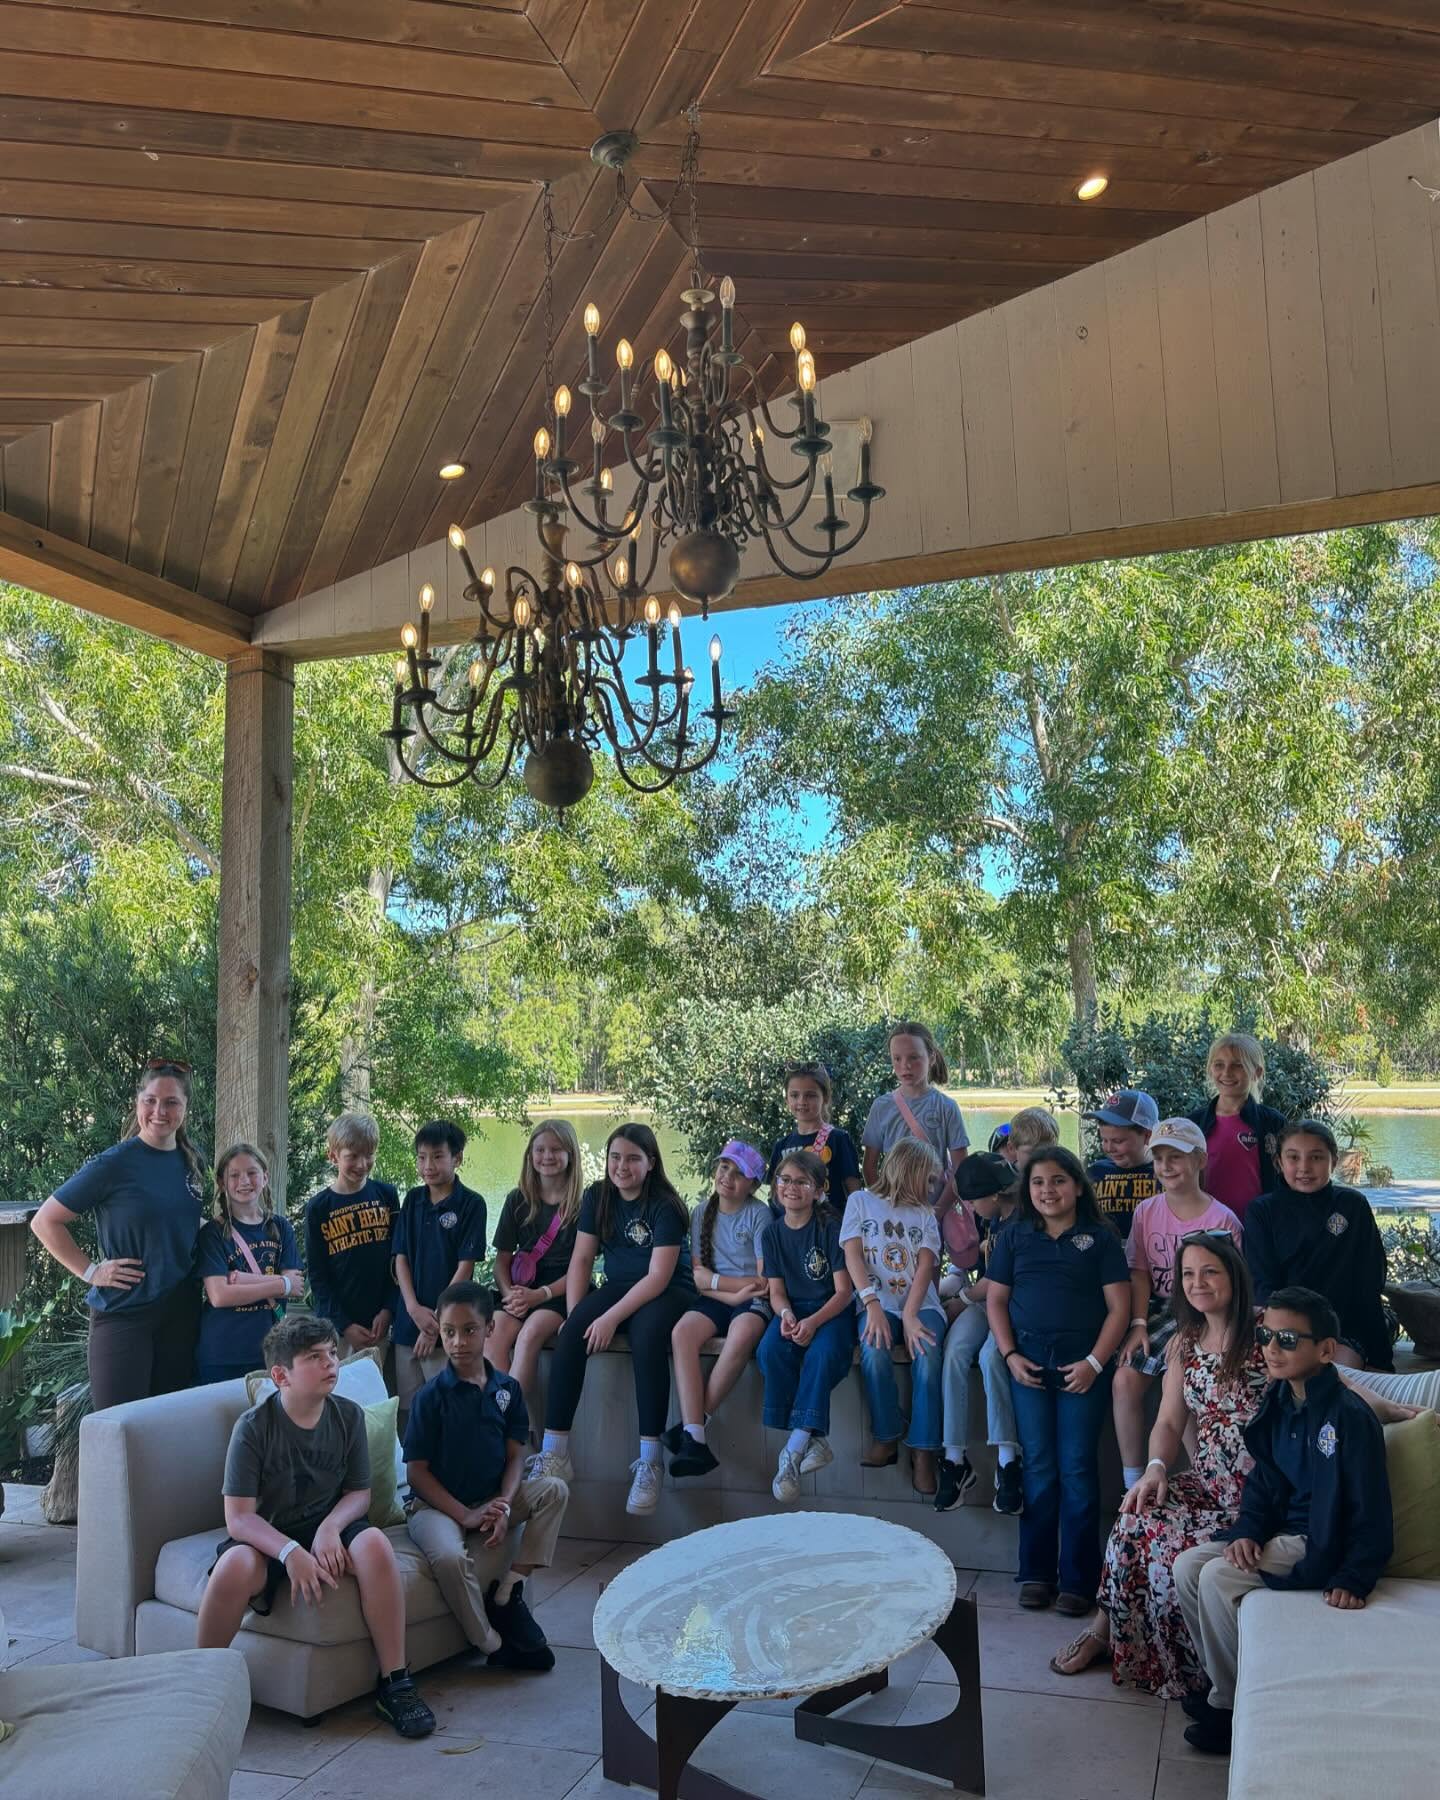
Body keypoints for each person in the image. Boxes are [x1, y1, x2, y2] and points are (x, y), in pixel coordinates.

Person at [1049, 1238, 1413, 1694]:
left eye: (1210, 1272)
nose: (1198, 1283)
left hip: (1262, 1494)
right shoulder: (1184, 1342)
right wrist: (1156, 1466)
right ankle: (1104, 1634)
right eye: (1188, 1274)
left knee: (1170, 1551)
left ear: (1234, 1276)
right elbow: (1166, 1419)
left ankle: (1198, 1676)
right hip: (1209, 1482)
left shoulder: (1264, 1330)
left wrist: (1389, 1406)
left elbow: (1331, 1379)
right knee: (1134, 1514)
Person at [1174, 1286, 1393, 1756]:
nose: (1272, 1349)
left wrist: (1355, 1576)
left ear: (1326, 1349)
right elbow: (1264, 1484)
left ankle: (1231, 1712)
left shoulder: (1349, 1417)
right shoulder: (1277, 1401)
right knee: (1189, 1566)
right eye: (1266, 1335)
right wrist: (1248, 1532)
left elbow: (1373, 1508)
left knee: (1217, 1578)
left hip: (1319, 1540)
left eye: (1288, 1340)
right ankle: (1225, 1687)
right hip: (1278, 1533)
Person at [197, 1313, 435, 1739]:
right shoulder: (253, 1428)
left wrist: (329, 1529)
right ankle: (197, 1689)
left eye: (331, 1353)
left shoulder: (347, 1416)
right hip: (269, 1538)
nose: (331, 1364)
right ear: (280, 1375)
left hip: (330, 1525)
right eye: (314, 1357)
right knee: (233, 1568)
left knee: (376, 1545)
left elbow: (358, 1494)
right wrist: (290, 1553)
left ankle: (395, 1682)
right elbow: (239, 1517)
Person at [986, 1147, 1131, 1613]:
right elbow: (995, 1301)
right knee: (1039, 1467)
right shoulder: (1014, 1236)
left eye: (1058, 1181)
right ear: (1027, 1190)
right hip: (1028, 1364)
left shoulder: (1101, 1237)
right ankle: (1035, 1572)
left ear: (1077, 1185)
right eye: (1038, 1183)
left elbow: (1120, 1309)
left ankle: (1079, 1581)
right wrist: (1009, 1355)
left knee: (1077, 1467)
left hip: (1082, 1367)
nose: (1048, 1191)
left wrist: (1094, 1362)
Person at [530, 1124, 694, 1516]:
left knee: (647, 1334)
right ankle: (555, 1453)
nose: (622, 1166)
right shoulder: (598, 1196)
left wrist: (609, 1318)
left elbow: (657, 1277)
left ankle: (650, 1460)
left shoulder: (666, 1206)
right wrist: (576, 1314)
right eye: (615, 1157)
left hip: (668, 1289)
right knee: (572, 1334)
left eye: (633, 1158)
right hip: (620, 1284)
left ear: (651, 1163)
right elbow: (582, 1259)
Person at [404, 1282, 567, 1672]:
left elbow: (516, 1456)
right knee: (447, 1557)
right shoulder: (431, 1396)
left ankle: (509, 1591)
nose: (459, 1341)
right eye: (449, 1332)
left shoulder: (507, 1389)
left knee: (554, 1489)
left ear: (490, 1328)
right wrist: (464, 1516)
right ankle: (491, 1644)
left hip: (491, 1495)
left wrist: (506, 1504)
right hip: (436, 1507)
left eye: (470, 1330)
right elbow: (416, 1473)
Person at [32, 1058, 206, 1410]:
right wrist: (92, 1271)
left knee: (168, 1425)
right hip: (125, 1312)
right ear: (137, 1103)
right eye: (151, 1100)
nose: (160, 1110)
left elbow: (182, 1222)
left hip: (181, 1311)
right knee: (118, 1428)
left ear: (185, 1108)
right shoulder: (113, 1164)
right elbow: (45, 1221)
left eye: (171, 1102)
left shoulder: (192, 1161)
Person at [1112, 1120, 1242, 1488]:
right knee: (1124, 1379)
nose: (1166, 1166)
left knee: (1180, 1376)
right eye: (1159, 1158)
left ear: (1199, 1160)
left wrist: (1192, 1331)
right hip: (1157, 1308)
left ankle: (1206, 1477)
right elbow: (1138, 1271)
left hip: (1204, 1312)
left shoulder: (1223, 1220)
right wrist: (1138, 1323)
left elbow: (1230, 1288)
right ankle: (1133, 1480)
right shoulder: (1147, 1212)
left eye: (1176, 1158)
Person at [841, 1138, 947, 1496]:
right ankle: (887, 1434)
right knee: (873, 1348)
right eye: (929, 1179)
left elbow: (925, 1266)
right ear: (911, 1171)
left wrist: (912, 1314)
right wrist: (871, 1304)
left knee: (929, 1355)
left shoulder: (925, 1214)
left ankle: (924, 1449)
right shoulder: (860, 1202)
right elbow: (853, 1255)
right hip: (877, 1302)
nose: (932, 1188)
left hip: (921, 1304)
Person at [1244, 1119, 1391, 1370]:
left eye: (1316, 1157)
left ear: (1334, 1160)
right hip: (1284, 1329)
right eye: (1293, 1157)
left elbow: (1370, 1279)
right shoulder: (1263, 1211)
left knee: (1329, 1379)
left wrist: (1379, 1355)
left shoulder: (1352, 1205)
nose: (1304, 1167)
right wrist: (1293, 1336)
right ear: (1279, 1162)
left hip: (1345, 1326)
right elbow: (1263, 1286)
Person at [665, 1140, 772, 1479]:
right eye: (725, 1167)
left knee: (741, 1335)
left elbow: (762, 1281)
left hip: (753, 1302)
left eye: (740, 1174)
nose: (728, 1177)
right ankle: (693, 1435)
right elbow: (698, 1276)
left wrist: (724, 1286)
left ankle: (692, 1429)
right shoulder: (701, 1212)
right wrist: (729, 1292)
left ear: (753, 1185)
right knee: (682, 1333)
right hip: (717, 1298)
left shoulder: (759, 1214)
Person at [757, 1149, 856, 1502]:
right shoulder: (771, 1234)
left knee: (823, 1354)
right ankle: (812, 1438)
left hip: (831, 1310)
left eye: (802, 1181)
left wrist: (813, 1322)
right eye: (784, 1180)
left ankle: (793, 1452)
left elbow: (845, 1292)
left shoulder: (830, 1227)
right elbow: (778, 1293)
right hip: (794, 1310)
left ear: (818, 1189)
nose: (791, 1187)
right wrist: (785, 1316)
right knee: (769, 1350)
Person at [936, 1152, 1024, 1516]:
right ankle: (954, 1459)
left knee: (991, 1356)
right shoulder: (987, 1218)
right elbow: (970, 1266)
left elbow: (997, 1280)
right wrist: (950, 1289)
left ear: (995, 1195)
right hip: (981, 1300)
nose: (969, 1207)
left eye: (972, 1200)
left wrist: (960, 1298)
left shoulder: (1020, 1220)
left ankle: (1008, 1460)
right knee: (955, 1352)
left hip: (1011, 1303)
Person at [490, 1121, 584, 1430]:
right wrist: (509, 1294)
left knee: (529, 1335)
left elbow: (578, 1268)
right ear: (530, 1154)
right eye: (540, 1149)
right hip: (520, 1289)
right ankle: (501, 1418)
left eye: (556, 1150)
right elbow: (501, 1260)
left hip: (559, 1293)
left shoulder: (582, 1207)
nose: (547, 1156)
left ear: (571, 1155)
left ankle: (510, 1428)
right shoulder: (518, 1200)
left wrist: (539, 1295)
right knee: (495, 1333)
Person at [392, 1120, 487, 1422]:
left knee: (446, 1406)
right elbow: (401, 1258)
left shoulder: (471, 1204)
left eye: (437, 1156)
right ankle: (410, 1468)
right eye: (421, 1157)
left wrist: (435, 1320)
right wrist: (412, 1308)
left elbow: (466, 1266)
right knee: (408, 1410)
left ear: (457, 1158)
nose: (428, 1165)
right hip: (409, 1323)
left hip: (448, 1327)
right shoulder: (413, 1200)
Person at [195, 1143, 303, 1386]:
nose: (244, 1181)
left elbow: (295, 1287)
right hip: (222, 1354)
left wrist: (241, 1280)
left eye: (252, 1173)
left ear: (265, 1177)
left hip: (271, 1352)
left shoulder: (281, 1227)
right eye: (234, 1175)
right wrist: (280, 1283)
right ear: (222, 1183)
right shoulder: (213, 1233)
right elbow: (219, 1296)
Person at [303, 1112, 399, 1360]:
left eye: (369, 1155)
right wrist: (344, 1325)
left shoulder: (386, 1195)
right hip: (338, 1329)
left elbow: (397, 1260)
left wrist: (388, 1310)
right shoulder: (319, 1207)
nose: (362, 1164)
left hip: (379, 1324)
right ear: (333, 1156)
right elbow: (317, 1275)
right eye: (352, 1156)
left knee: (374, 1392)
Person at [1188, 1032, 1286, 1224]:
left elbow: (1288, 1176)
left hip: (1259, 1226)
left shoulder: (1272, 1123)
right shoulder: (1193, 1124)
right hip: (1207, 1226)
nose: (1226, 1073)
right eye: (1219, 1065)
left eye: (1237, 1065)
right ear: (1209, 1070)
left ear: (1256, 1072)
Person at [861, 1022, 969, 1194]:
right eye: (897, 1058)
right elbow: (869, 1167)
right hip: (893, 1214)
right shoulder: (881, 1107)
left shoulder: (947, 1107)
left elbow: (961, 1170)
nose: (905, 1065)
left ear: (931, 1058)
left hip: (934, 1214)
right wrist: (884, 1206)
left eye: (913, 1057)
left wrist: (936, 1213)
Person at [765, 1062, 861, 1214]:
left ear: (826, 1098)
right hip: (790, 1233)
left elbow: (855, 1194)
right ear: (787, 1099)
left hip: (830, 1231)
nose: (802, 1101)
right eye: (794, 1095)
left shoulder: (838, 1139)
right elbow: (774, 1195)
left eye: (810, 1095)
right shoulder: (781, 1146)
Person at [1082, 1089, 1160, 1240]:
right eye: (1104, 1140)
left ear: (1147, 1135)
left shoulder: (1165, 1175)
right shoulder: (1095, 1173)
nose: (1109, 1148)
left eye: (1118, 1141)